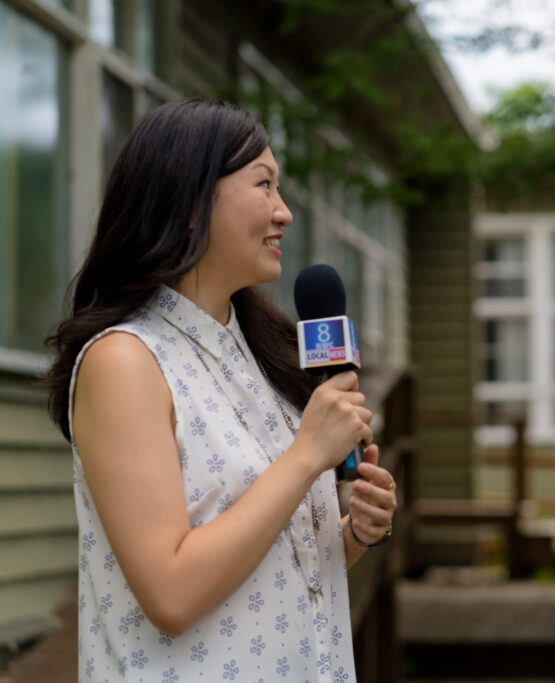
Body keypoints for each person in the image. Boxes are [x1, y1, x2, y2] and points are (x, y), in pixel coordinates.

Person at [45, 99, 397, 682]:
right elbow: (172, 592)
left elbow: (268, 564)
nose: (284, 212)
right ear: (188, 204)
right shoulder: (124, 362)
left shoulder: (260, 353)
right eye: (265, 185)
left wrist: (352, 533)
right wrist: (307, 455)